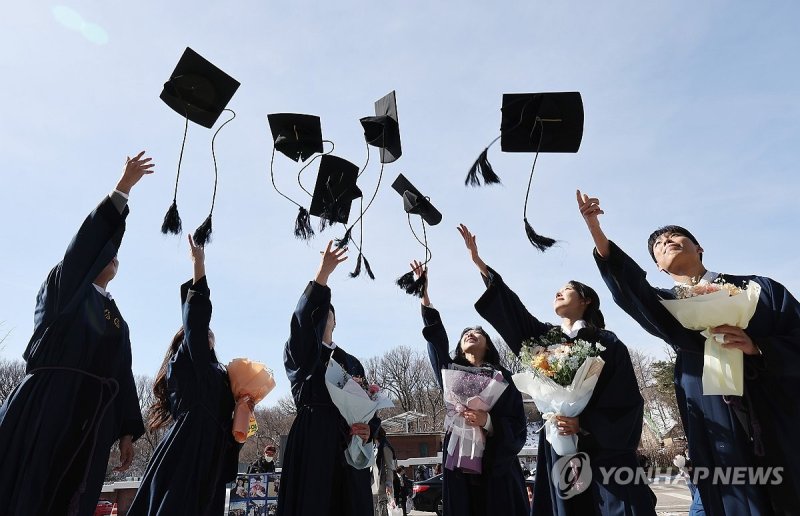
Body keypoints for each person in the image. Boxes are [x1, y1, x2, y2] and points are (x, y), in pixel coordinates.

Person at [577, 190, 800, 515]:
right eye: (658, 244)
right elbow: (631, 289)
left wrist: (757, 347)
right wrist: (595, 229)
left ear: (699, 247)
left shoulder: (758, 289)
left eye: (675, 235)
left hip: (774, 404)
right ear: (659, 267)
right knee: (726, 491)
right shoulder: (668, 305)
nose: (666, 240)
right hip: (709, 402)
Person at [458, 224, 656, 516]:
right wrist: (481, 265)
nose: (558, 293)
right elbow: (514, 313)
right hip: (558, 442)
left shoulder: (607, 343)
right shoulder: (544, 339)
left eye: (567, 290)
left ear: (586, 300)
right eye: (557, 291)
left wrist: (585, 422)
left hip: (600, 448)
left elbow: (626, 400)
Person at [0, 152, 152, 516]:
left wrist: (128, 429)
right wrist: (122, 190)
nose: (113, 255)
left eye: (116, 254)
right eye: (107, 251)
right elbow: (82, 247)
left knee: (75, 495)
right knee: (33, 484)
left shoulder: (117, 318)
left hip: (92, 416)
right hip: (50, 402)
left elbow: (122, 372)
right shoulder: (66, 289)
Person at [128, 235, 239, 515]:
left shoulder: (219, 372)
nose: (209, 335)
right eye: (202, 333)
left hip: (211, 452)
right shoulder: (188, 361)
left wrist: (245, 404)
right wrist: (199, 267)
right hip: (187, 448)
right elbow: (196, 321)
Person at [412, 259, 530, 516]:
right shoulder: (451, 372)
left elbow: (518, 426)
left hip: (497, 471)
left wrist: (487, 421)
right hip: (459, 470)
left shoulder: (503, 378)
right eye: (466, 332)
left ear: (488, 344)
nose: (470, 334)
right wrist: (425, 297)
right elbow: (436, 343)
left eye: (478, 332)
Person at [277, 241, 379, 516]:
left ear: (335, 321)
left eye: (328, 312)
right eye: (317, 313)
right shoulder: (300, 352)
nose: (323, 316)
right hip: (313, 438)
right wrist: (322, 277)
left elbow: (368, 409)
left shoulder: (352, 361)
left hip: (347, 439)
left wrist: (370, 431)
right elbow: (301, 324)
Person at [373, 427, 396, 516]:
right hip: (375, 485)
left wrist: (389, 484)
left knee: (384, 511)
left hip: (383, 486)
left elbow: (389, 467)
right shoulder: (375, 447)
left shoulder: (385, 447)